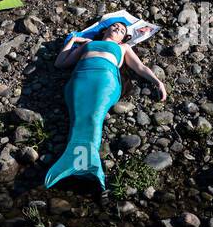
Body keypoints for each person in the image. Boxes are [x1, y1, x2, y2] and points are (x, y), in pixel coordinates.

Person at [45, 20, 168, 190]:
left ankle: (88, 166)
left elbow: (139, 67)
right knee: (79, 117)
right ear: (106, 30)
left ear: (123, 38)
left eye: (122, 30)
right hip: (80, 78)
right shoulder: (90, 43)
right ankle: (80, 165)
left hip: (105, 79)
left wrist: (157, 82)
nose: (117, 28)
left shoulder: (123, 47)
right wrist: (73, 40)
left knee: (94, 117)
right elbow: (60, 63)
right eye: (115, 26)